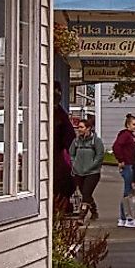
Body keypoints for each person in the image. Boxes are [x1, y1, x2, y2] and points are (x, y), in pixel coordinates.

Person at [69, 117, 104, 220]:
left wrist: (92, 166)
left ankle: (81, 216)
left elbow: (100, 156)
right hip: (78, 172)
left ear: (88, 128)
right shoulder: (76, 141)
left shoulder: (96, 141)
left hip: (92, 173)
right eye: (78, 127)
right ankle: (94, 210)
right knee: (85, 193)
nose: (79, 129)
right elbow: (71, 154)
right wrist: (74, 164)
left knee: (86, 193)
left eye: (81, 127)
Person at [112, 113, 135, 228]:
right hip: (128, 165)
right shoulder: (126, 135)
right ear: (128, 125)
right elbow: (116, 146)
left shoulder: (130, 136)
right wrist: (121, 160)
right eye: (134, 124)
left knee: (128, 192)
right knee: (128, 192)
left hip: (129, 165)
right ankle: (127, 218)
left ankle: (124, 218)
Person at [52, 82, 76, 211]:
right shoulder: (61, 115)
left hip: (56, 156)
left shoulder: (61, 116)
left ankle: (60, 206)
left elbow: (70, 139)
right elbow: (70, 139)